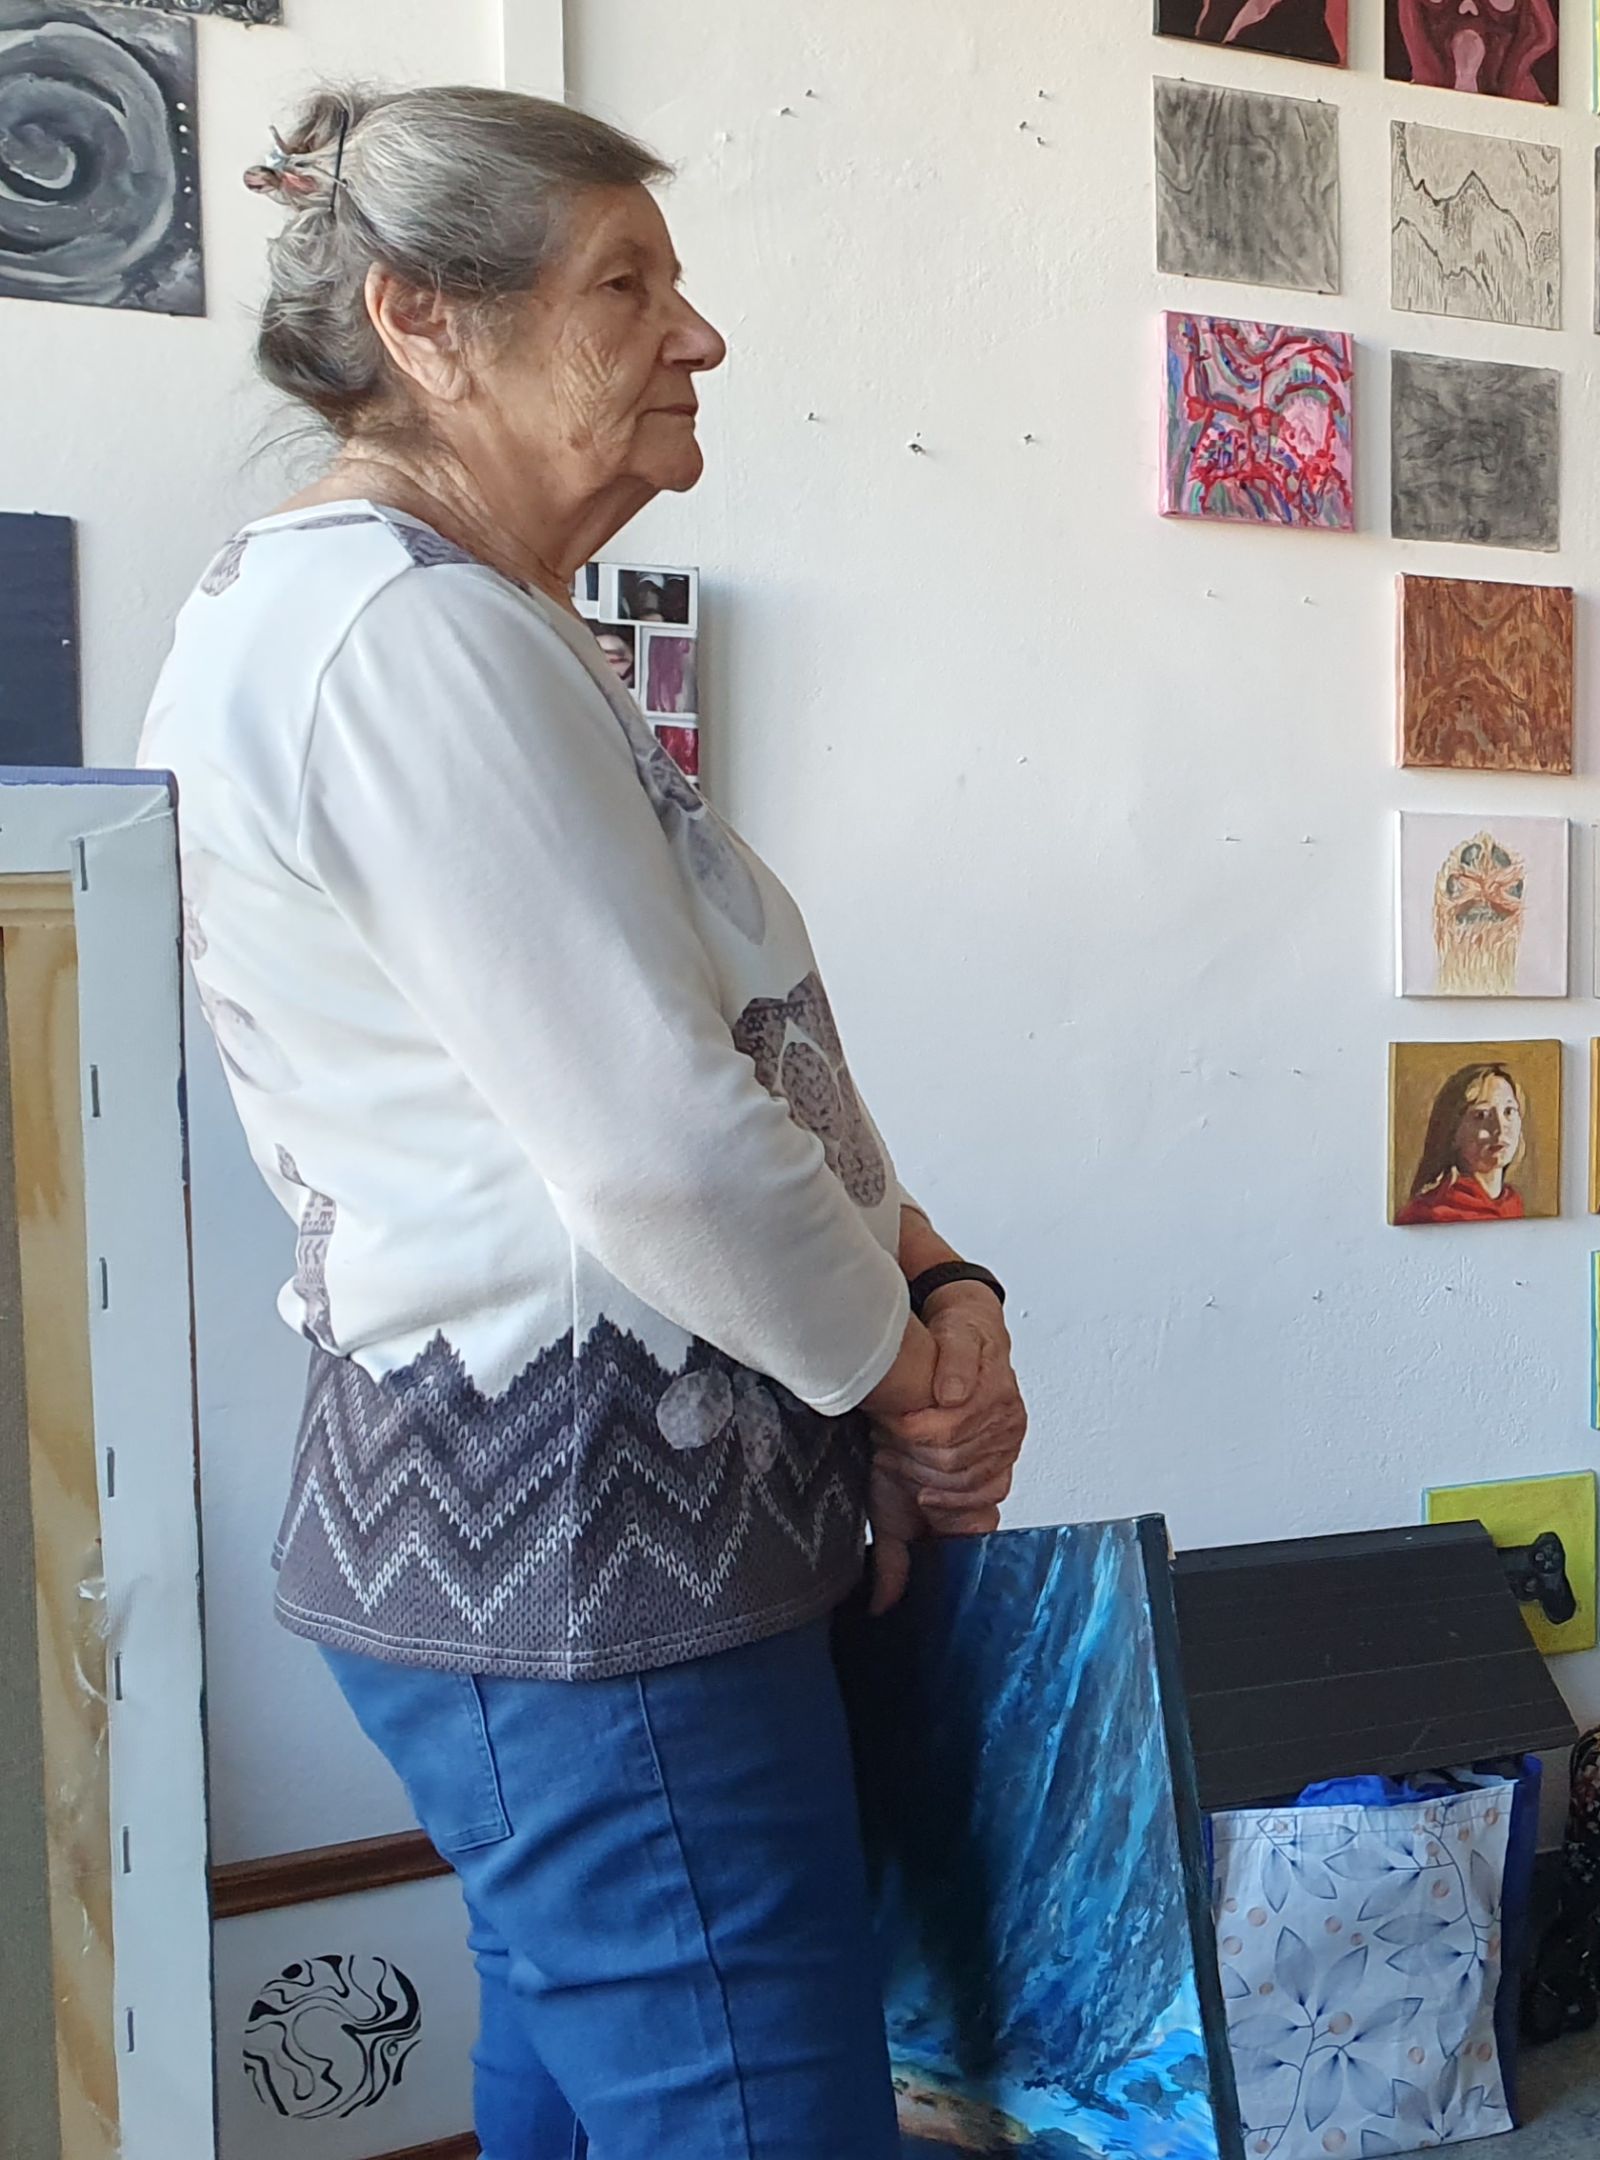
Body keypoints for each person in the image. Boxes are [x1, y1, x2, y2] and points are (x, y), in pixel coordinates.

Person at [139, 88, 1026, 2159]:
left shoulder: (469, 619)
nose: (696, 334)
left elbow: (732, 1048)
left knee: (586, 2091)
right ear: (423, 323)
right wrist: (911, 1383)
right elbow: (662, 1147)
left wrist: (936, 1273)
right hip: (584, 1560)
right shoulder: (401, 636)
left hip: (590, 1551)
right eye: (626, 285)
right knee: (756, 2120)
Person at [1398, 1061, 1532, 1223]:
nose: (1499, 1128)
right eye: (1481, 1115)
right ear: (1453, 1130)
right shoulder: (1427, 1213)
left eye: (1509, 1111)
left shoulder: (1513, 1205)